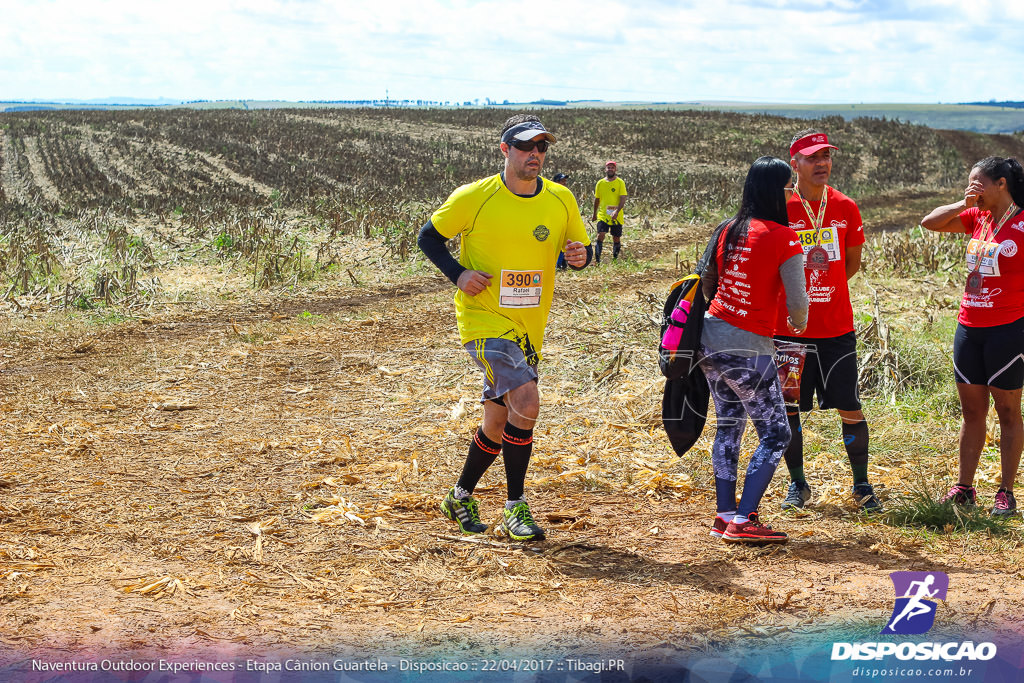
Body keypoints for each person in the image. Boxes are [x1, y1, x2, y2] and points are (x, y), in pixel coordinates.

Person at [417, 114, 593, 541]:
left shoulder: (560, 199)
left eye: (542, 147)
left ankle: (459, 496)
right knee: (527, 402)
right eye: (526, 146)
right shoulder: (474, 197)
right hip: (483, 320)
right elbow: (428, 237)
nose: (535, 154)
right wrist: (458, 274)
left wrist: (579, 256)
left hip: (529, 326)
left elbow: (582, 249)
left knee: (498, 421)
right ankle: (515, 507)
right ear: (505, 150)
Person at [700, 156, 808, 544]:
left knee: (729, 424)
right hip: (749, 347)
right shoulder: (784, 237)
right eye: (789, 186)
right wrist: (798, 324)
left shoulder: (726, 229)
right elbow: (798, 305)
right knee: (776, 433)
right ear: (776, 191)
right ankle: (745, 520)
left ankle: (724, 514)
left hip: (710, 342)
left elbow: (706, 282)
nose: (793, 191)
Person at [773, 129, 882, 513]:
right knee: (788, 409)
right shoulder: (779, 207)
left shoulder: (846, 206)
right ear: (795, 165)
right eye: (813, 157)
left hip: (836, 328)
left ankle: (862, 486)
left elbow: (851, 264)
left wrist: (821, 289)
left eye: (827, 157)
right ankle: (798, 484)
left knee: (850, 405)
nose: (822, 163)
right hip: (788, 331)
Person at [921, 156, 1024, 516]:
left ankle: (1006, 492)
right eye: (969, 184)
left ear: (1001, 184)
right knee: (971, 410)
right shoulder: (976, 216)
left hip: (1008, 330)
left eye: (978, 184)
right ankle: (964, 489)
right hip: (969, 328)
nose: (972, 190)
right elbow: (929, 222)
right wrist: (961, 203)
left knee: (1008, 411)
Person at [591, 161, 627, 263]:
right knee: (600, 235)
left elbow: (623, 198)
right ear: (605, 169)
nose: (610, 169)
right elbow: (597, 199)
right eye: (608, 167)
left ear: (615, 170)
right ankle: (597, 261)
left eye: (612, 167)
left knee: (616, 238)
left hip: (617, 215)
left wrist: (617, 211)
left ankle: (615, 259)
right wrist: (594, 214)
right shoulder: (600, 183)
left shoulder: (620, 182)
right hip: (603, 214)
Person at [553, 173, 571, 270]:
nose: (564, 183)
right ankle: (558, 264)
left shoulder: (566, 193)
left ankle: (562, 264)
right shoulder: (551, 193)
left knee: (563, 242)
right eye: (562, 181)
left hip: (563, 220)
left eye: (565, 181)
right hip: (553, 221)